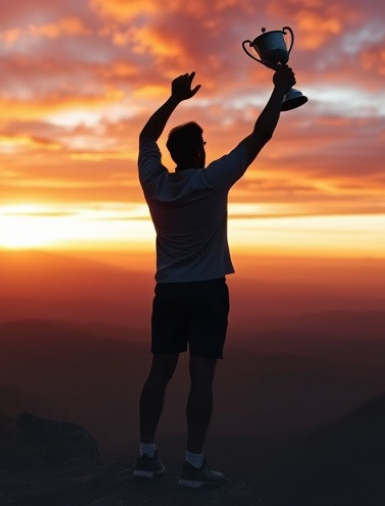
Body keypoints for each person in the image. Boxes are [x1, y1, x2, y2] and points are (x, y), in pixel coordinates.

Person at [132, 65, 297, 488]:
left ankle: (146, 457)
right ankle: (193, 463)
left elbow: (146, 138)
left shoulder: (155, 184)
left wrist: (173, 100)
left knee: (159, 371)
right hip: (207, 290)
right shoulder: (212, 180)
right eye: (203, 145)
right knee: (201, 377)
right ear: (198, 153)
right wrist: (279, 90)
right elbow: (260, 135)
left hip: (168, 291)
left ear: (174, 154)